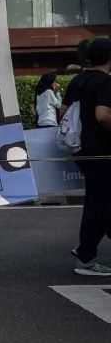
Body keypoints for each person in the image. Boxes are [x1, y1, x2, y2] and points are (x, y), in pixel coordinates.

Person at [70, 37, 111, 277]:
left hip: (82, 149)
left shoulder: (78, 80)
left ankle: (86, 249)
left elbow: (65, 112)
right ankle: (86, 254)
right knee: (100, 203)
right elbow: (103, 115)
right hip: (103, 151)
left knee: (97, 200)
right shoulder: (105, 82)